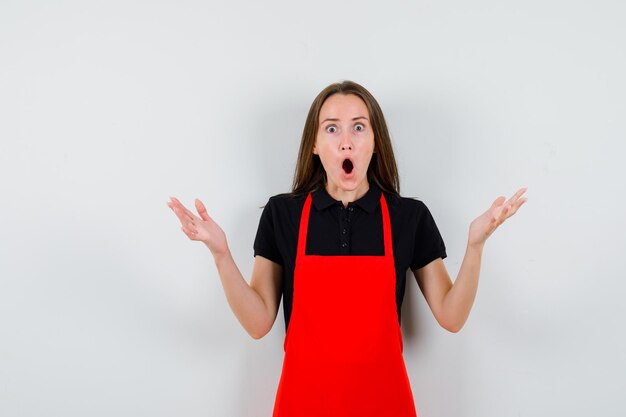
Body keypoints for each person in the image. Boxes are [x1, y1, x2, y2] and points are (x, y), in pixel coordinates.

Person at [167, 80, 527, 417]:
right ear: (314, 144)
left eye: (358, 127)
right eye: (331, 128)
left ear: (375, 141)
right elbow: (259, 322)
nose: (346, 142)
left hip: (385, 404)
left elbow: (452, 316)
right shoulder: (284, 214)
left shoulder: (409, 217)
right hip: (302, 404)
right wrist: (221, 255)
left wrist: (475, 245)